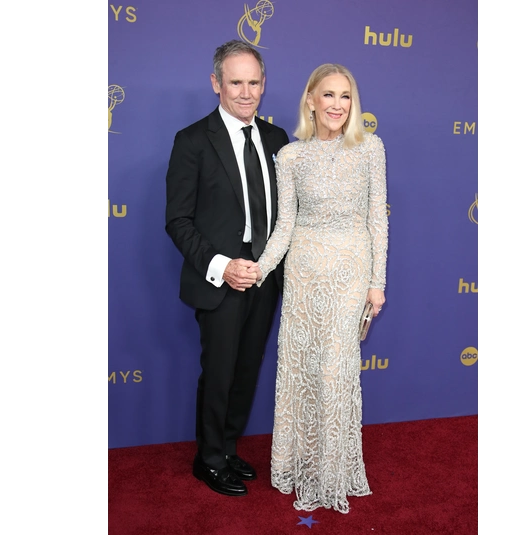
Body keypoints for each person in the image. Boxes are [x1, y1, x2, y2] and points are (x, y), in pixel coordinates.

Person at [253, 63, 388, 514]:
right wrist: (259, 269)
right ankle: (303, 464)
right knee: (302, 373)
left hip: (350, 273)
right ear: (310, 100)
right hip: (304, 275)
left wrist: (377, 283)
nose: (337, 105)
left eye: (345, 96)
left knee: (335, 370)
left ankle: (334, 472)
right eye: (328, 95)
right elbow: (285, 226)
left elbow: (376, 221)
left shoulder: (371, 148)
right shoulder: (291, 157)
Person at [164, 40, 290, 497]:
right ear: (216, 83)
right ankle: (209, 458)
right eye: (235, 82)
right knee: (218, 371)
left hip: (265, 276)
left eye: (254, 82)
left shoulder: (278, 140)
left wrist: (267, 267)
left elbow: (285, 215)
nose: (246, 92)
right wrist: (222, 265)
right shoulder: (193, 141)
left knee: (247, 368)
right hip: (219, 279)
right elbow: (177, 220)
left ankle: (230, 447)